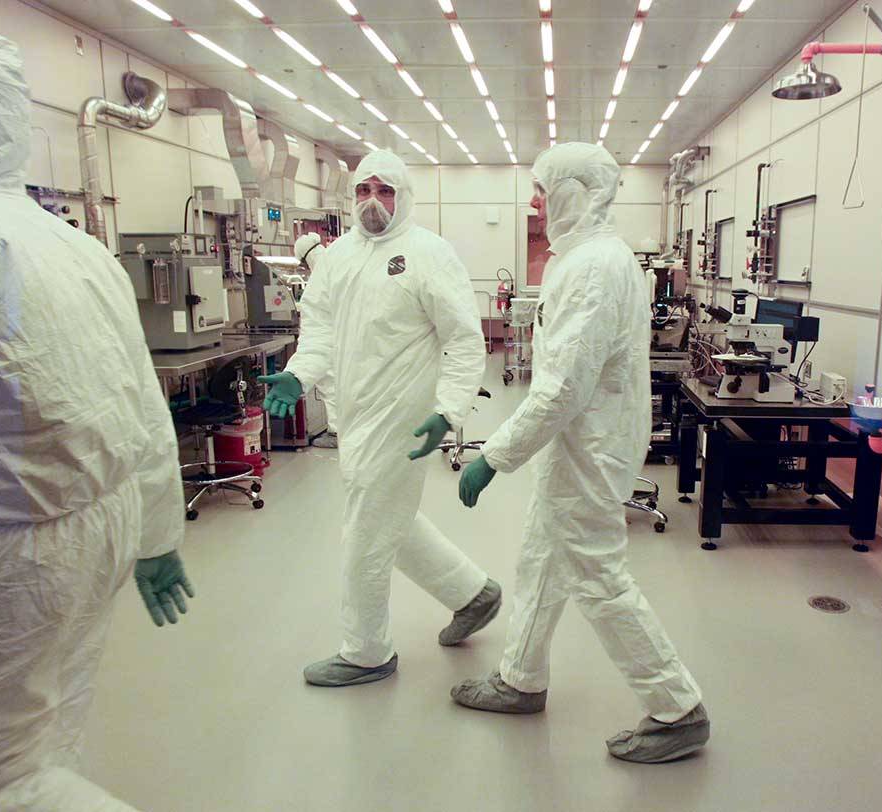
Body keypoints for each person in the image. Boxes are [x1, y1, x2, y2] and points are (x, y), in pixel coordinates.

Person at [0, 15, 194, 811]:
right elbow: (144, 412)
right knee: (42, 744)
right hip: (90, 541)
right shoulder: (77, 247)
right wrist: (157, 536)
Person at [451, 143, 709, 764]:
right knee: (542, 557)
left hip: (589, 448)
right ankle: (520, 678)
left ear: (575, 192)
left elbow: (564, 386)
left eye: (543, 190)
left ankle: (677, 707)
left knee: (597, 574)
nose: (534, 202)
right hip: (582, 441)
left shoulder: (594, 266)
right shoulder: (584, 258)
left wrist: (494, 455)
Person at [259, 150, 501, 687]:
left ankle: (366, 651)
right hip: (355, 416)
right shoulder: (337, 258)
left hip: (404, 418)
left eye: (385, 190)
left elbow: (463, 340)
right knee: (389, 516)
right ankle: (472, 593)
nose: (373, 202)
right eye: (364, 190)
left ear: (404, 196)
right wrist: (298, 375)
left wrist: (448, 409)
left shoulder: (429, 253)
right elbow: (319, 330)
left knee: (364, 530)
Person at [293, 231, 338, 449]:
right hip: (342, 341)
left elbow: (316, 316)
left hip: (329, 342)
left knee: (331, 387)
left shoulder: (321, 274)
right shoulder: (335, 261)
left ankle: (337, 432)